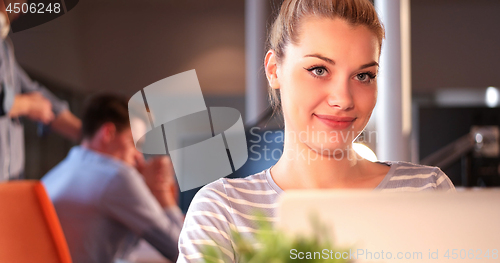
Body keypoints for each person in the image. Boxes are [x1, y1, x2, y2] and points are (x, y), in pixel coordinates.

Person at [177, 0, 455, 262]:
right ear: (274, 70)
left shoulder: (427, 190)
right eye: (319, 70)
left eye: (363, 76)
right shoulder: (223, 210)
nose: (343, 99)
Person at [42, 94, 183, 263]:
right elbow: (185, 250)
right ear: (108, 133)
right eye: (133, 143)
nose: (139, 157)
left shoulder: (57, 173)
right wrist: (161, 188)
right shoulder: (117, 176)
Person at [0, 0, 82, 180]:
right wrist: (28, 105)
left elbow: (36, 95)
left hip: (8, 188)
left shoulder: (4, 48)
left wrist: (87, 135)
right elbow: (28, 101)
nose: (25, 6)